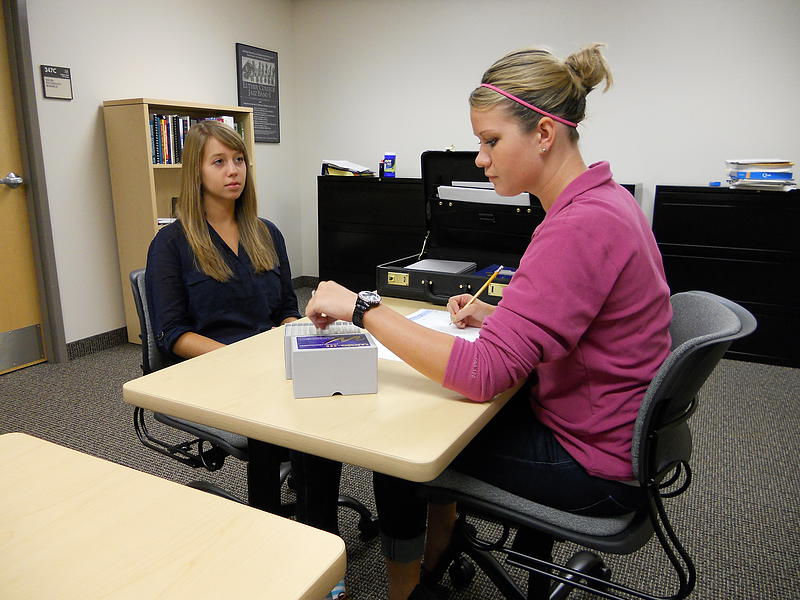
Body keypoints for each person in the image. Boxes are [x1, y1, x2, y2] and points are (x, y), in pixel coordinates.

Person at [305, 43, 672, 600]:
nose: (480, 157)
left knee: (400, 441)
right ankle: (441, 541)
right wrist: (500, 313)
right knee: (435, 413)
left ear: (544, 134)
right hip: (614, 435)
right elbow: (581, 317)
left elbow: (483, 373)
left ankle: (411, 585)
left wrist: (363, 307)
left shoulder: (578, 225)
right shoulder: (606, 203)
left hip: (593, 466)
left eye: (491, 140)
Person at [145, 120, 346, 600]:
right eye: (219, 162)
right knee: (280, 422)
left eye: (238, 161)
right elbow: (172, 335)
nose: (233, 171)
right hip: (213, 371)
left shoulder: (264, 232)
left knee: (328, 413)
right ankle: (270, 543)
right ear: (196, 172)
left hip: (269, 362)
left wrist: (291, 336)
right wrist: (243, 358)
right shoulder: (171, 245)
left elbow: (284, 310)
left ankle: (322, 549)